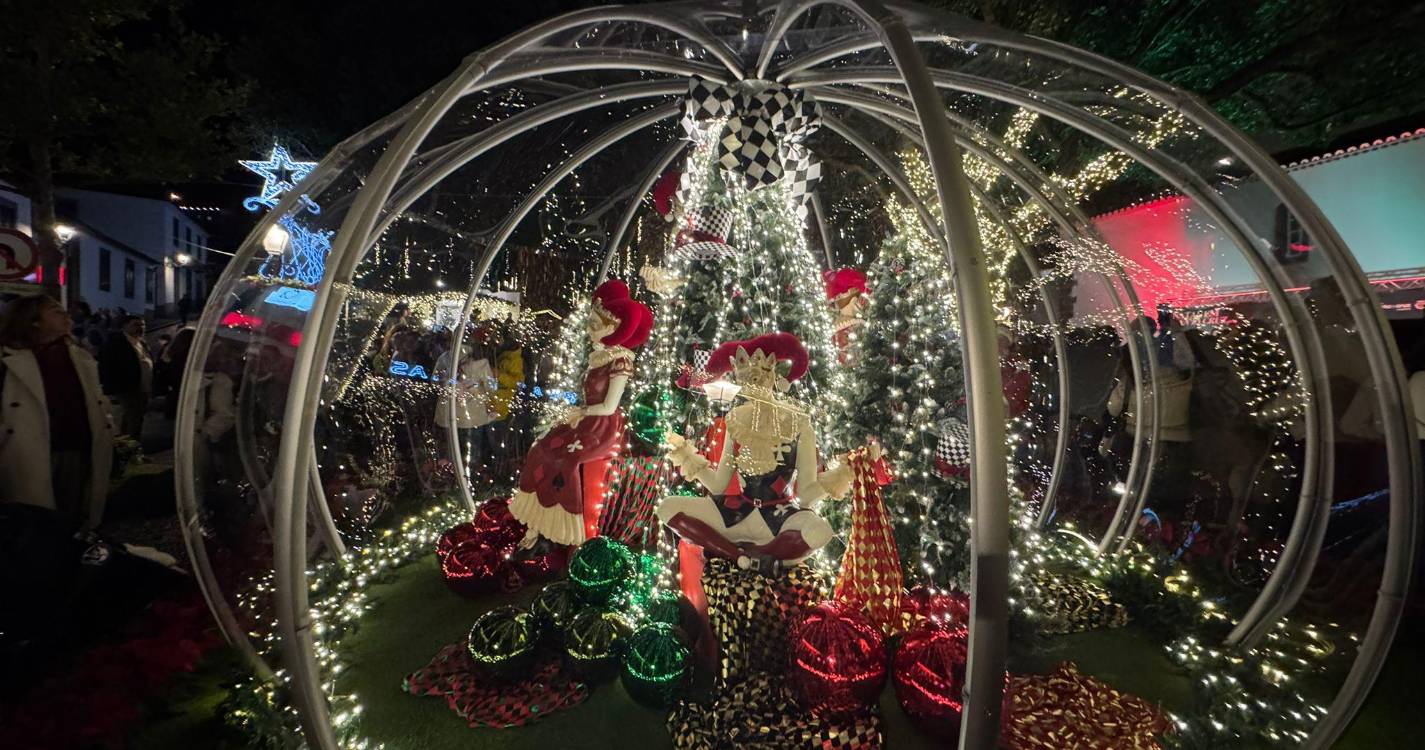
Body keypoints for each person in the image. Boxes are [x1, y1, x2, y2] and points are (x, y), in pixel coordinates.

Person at [657, 333, 852, 577]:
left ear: (772, 375)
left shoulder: (799, 423)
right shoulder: (737, 420)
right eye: (746, 380)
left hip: (780, 517)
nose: (753, 385)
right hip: (737, 512)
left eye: (759, 377)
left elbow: (805, 496)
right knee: (667, 508)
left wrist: (841, 476)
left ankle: (756, 554)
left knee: (820, 532)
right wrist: (688, 458)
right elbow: (718, 485)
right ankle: (740, 557)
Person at [510, 280, 652, 546]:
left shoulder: (621, 361)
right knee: (541, 448)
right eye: (590, 324)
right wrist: (579, 413)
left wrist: (582, 411)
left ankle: (568, 529)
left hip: (603, 427)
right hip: (586, 420)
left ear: (613, 328)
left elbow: (609, 406)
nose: (589, 330)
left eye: (595, 326)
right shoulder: (599, 356)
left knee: (569, 462)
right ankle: (537, 522)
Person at [0, 295, 114, 528]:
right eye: (55, 311)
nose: (66, 315)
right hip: (28, 452)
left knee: (71, 516)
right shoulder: (8, 360)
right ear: (34, 321)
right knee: (34, 521)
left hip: (77, 448)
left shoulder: (79, 357)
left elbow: (96, 399)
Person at [433, 339, 496, 479]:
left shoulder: (444, 359)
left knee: (450, 452)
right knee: (471, 451)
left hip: (447, 416)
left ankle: (450, 479)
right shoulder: (481, 363)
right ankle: (469, 479)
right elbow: (491, 388)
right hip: (473, 418)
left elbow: (434, 383)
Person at [99, 315, 154, 440]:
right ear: (124, 326)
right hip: (127, 389)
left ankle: (126, 447)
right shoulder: (115, 343)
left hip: (143, 388)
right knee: (134, 420)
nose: (141, 328)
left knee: (133, 419)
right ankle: (132, 448)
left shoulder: (141, 342)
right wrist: (112, 387)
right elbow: (107, 366)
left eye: (143, 325)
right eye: (136, 325)